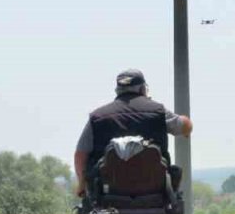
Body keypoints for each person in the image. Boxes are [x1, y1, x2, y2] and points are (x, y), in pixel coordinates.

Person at [74, 69, 192, 197]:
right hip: (154, 192)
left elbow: (80, 154)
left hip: (107, 193)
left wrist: (82, 183)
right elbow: (186, 126)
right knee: (175, 171)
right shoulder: (157, 111)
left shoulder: (97, 117)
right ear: (142, 89)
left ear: (117, 91)